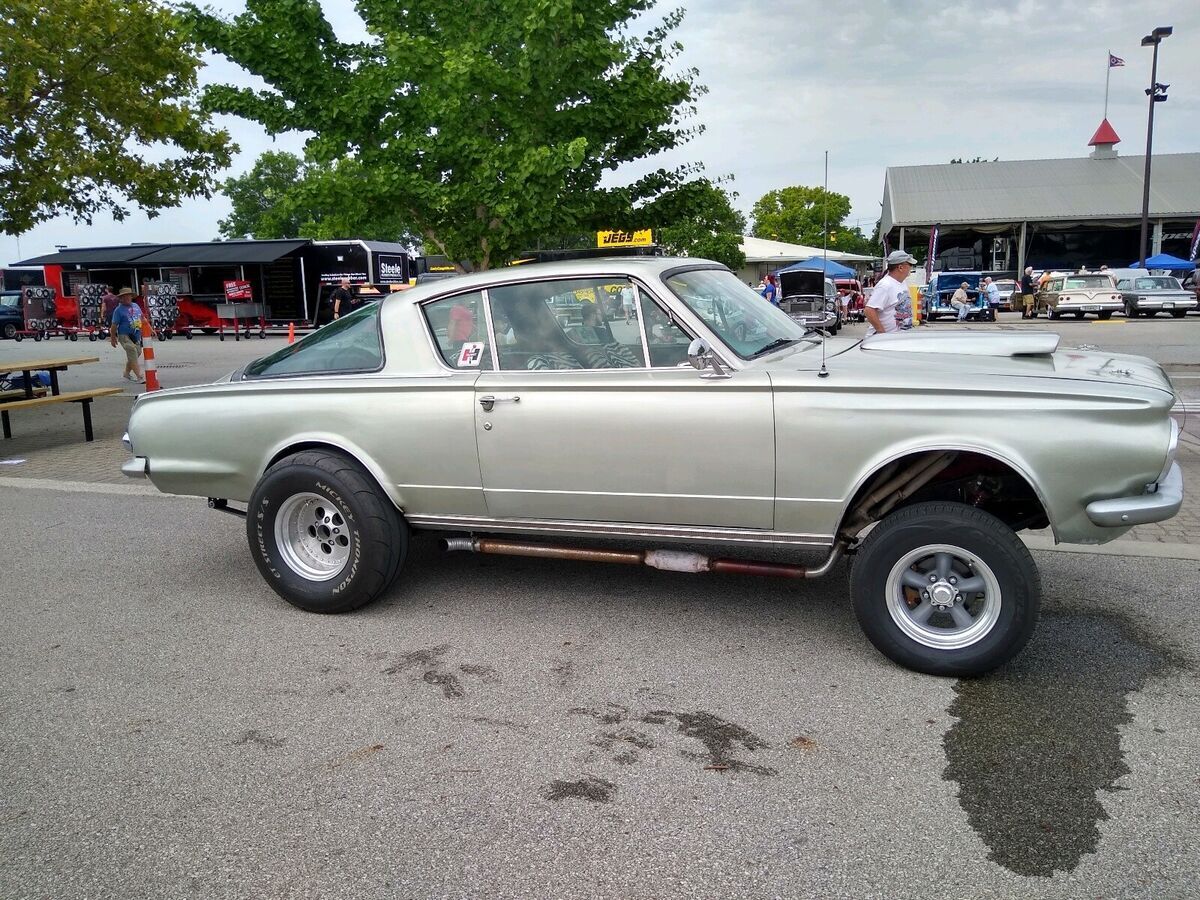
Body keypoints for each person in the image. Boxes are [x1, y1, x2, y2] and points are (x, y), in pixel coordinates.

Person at [864, 250, 917, 336]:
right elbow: (869, 310)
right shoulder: (885, 285)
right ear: (900, 267)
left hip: (898, 340)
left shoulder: (902, 283)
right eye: (910, 265)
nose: (911, 268)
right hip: (883, 342)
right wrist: (882, 334)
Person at [109, 287, 144, 383]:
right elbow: (114, 325)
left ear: (131, 296)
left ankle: (126, 373)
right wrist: (113, 338)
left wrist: (150, 329)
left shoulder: (136, 306)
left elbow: (142, 318)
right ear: (121, 298)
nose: (127, 298)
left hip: (136, 335)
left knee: (137, 353)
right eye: (124, 297)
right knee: (132, 351)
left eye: (128, 296)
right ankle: (139, 376)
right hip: (124, 335)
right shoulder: (118, 310)